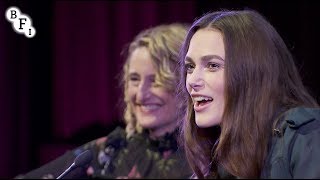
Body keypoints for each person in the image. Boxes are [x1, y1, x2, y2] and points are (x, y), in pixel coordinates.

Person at [16, 23, 192, 179]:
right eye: (134, 79)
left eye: (155, 80)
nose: (140, 95)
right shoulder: (107, 151)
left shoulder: (209, 159)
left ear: (187, 83)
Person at [178, 9, 320, 179]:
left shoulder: (305, 134)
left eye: (212, 65)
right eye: (190, 67)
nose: (192, 81)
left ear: (252, 72)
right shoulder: (214, 162)